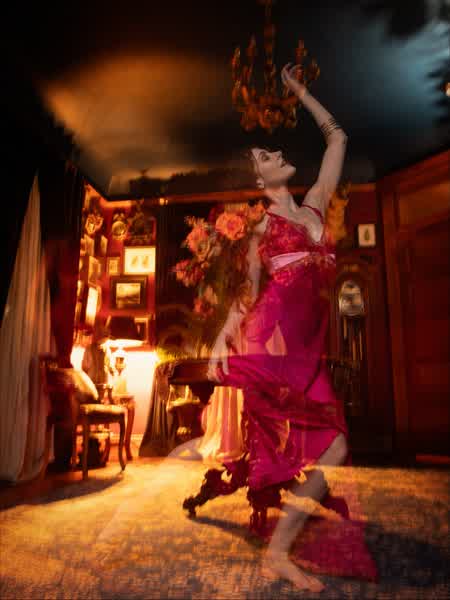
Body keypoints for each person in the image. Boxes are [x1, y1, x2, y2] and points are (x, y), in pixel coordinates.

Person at [204, 63, 350, 591]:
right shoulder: (260, 227)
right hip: (274, 341)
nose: (277, 152)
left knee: (336, 447)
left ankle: (278, 551)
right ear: (261, 181)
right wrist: (223, 336)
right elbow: (246, 292)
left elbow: (337, 138)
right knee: (287, 446)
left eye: (273, 150)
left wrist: (302, 91)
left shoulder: (315, 206)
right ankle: (280, 552)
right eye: (266, 156)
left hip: (307, 347)